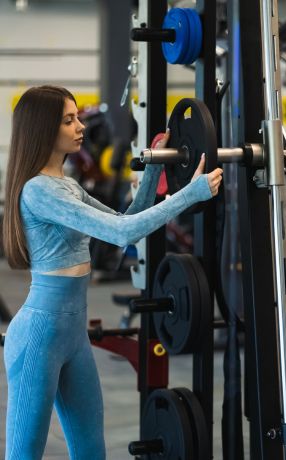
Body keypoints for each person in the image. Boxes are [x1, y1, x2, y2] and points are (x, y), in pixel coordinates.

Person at [1, 85, 223, 460]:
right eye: (68, 121)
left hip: (73, 334)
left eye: (77, 119)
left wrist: (153, 168)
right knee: (24, 455)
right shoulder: (39, 191)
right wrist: (190, 195)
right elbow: (123, 234)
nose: (79, 127)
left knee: (91, 451)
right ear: (43, 129)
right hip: (38, 336)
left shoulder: (66, 185)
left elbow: (122, 220)